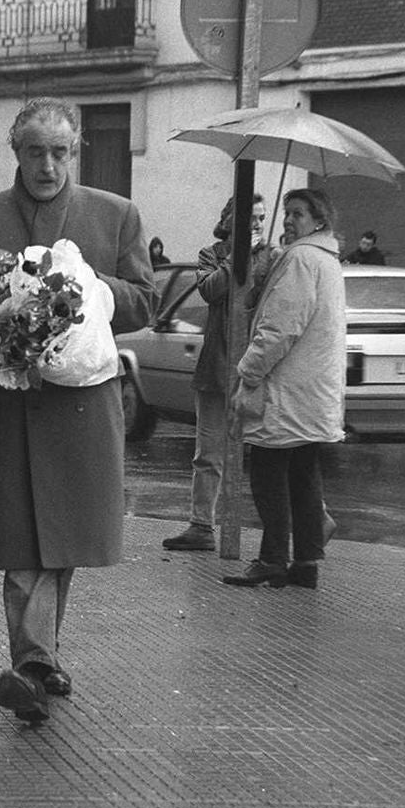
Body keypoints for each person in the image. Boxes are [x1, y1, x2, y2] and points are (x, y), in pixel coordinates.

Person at [0, 96, 156, 723]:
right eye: (35, 151)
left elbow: (143, 302)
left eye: (60, 152)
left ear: (76, 151)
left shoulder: (115, 216)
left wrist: (84, 289)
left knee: (63, 535)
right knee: (21, 537)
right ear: (15, 152)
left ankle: (41, 655)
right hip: (6, 408)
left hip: (82, 410)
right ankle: (33, 664)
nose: (48, 165)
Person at [225, 189, 346, 589]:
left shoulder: (300, 260)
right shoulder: (326, 261)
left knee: (268, 472)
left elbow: (278, 331)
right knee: (303, 475)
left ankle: (273, 557)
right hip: (314, 393)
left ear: (319, 220)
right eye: (287, 213)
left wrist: (248, 371)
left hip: (288, 393)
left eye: (298, 214)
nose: (288, 221)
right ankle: (307, 561)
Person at [162, 194, 272, 551]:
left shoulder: (271, 257)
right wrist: (235, 256)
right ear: (231, 220)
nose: (257, 225)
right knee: (208, 452)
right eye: (250, 218)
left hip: (255, 368)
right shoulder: (212, 254)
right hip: (216, 366)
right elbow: (210, 290)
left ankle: (313, 519)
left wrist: (254, 259)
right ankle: (201, 525)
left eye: (261, 218)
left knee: (275, 450)